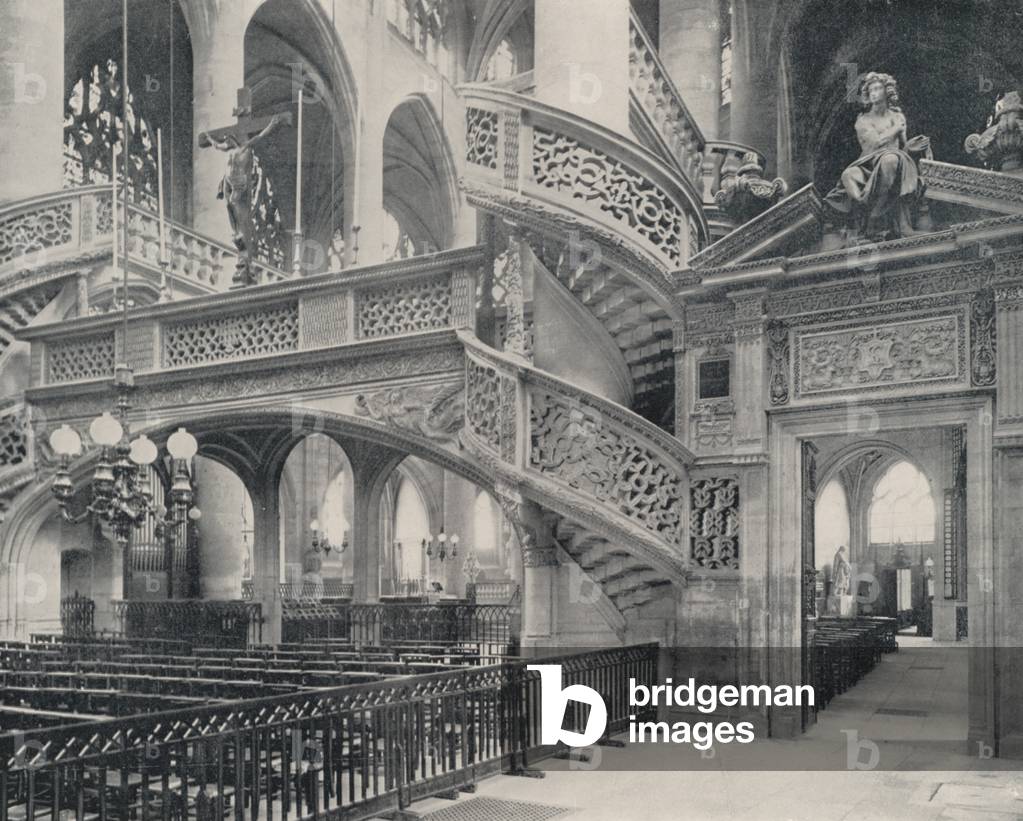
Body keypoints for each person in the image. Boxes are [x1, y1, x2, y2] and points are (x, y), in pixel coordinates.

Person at [825, 72, 930, 241]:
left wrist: (914, 146)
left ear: (887, 91)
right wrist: (896, 129)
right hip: (868, 163)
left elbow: (902, 147)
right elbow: (874, 143)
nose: (873, 93)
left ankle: (875, 215)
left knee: (891, 160)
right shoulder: (863, 120)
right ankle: (865, 210)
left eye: (878, 88)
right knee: (848, 175)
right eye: (871, 90)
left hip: (894, 160)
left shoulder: (898, 116)